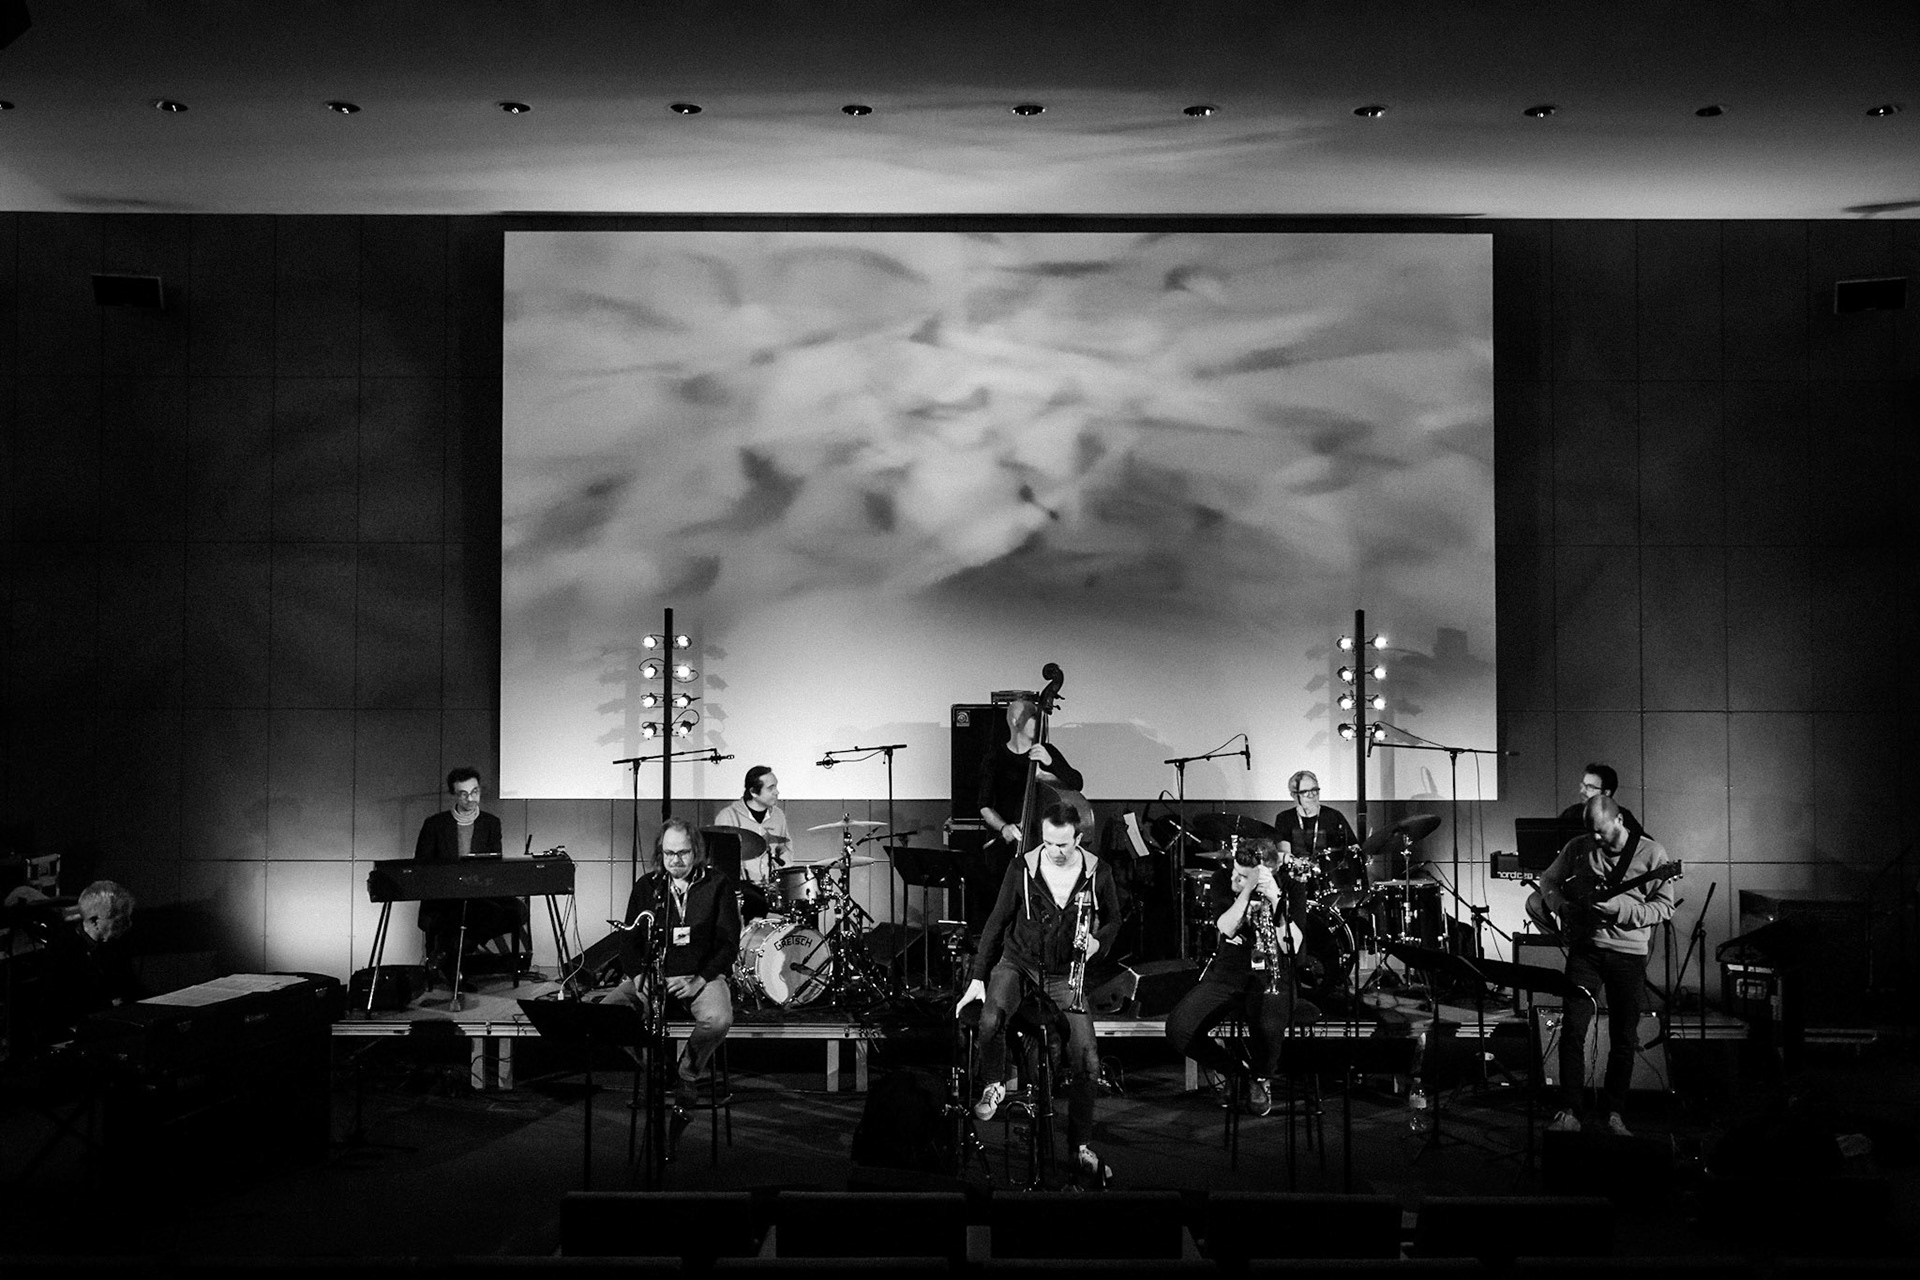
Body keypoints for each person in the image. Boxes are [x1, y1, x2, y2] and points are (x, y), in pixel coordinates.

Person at [956, 802, 1120, 1185]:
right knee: (991, 1019)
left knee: (1088, 1060)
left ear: (1078, 839)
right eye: (1048, 843)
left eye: (1063, 844)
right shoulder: (1023, 867)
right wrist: (978, 978)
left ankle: (1080, 1148)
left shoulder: (1099, 872)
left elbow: (1114, 919)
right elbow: (996, 921)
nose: (1055, 851)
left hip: (1064, 975)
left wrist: (1098, 943)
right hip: (1019, 962)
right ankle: (994, 1084)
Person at [1535, 795, 1677, 1138]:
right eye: (1590, 832)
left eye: (1600, 831)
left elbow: (1664, 908)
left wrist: (1621, 911)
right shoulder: (1578, 847)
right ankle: (1570, 1110)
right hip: (1586, 950)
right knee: (1572, 1031)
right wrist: (1560, 906)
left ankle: (1613, 1113)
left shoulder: (1652, 854)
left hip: (1628, 955)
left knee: (1623, 1038)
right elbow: (1548, 881)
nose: (1595, 838)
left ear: (1619, 821)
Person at [608, 819, 740, 1139]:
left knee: (718, 1019)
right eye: (669, 853)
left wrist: (699, 980)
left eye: (683, 853)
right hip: (654, 977)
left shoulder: (717, 884)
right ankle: (657, 1068)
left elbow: (728, 944)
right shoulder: (648, 886)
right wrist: (638, 976)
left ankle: (687, 1074)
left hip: (701, 977)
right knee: (608, 1014)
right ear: (660, 853)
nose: (675, 860)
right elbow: (628, 941)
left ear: (696, 851)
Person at [1164, 846, 1311, 1116]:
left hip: (1273, 972)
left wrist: (1274, 897)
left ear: (1269, 872)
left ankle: (1261, 1078)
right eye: (1236, 872)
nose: (1234, 878)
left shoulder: (1291, 887)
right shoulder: (1222, 879)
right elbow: (1226, 927)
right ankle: (1236, 1072)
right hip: (1228, 972)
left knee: (1268, 1025)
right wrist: (1246, 889)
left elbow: (1291, 947)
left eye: (1242, 876)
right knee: (1179, 1028)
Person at [414, 767, 523, 986]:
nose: (471, 798)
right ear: (454, 794)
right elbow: (422, 867)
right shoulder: (435, 824)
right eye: (463, 794)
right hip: (446, 895)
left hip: (479, 892)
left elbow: (493, 865)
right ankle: (453, 964)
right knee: (465, 913)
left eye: (475, 792)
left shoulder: (490, 823)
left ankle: (446, 952)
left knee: (518, 911)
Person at [977, 699, 1084, 852]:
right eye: (1033, 717)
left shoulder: (1046, 751)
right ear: (1015, 721)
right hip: (1006, 842)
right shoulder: (995, 757)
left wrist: (1050, 762)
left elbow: (1077, 783)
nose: (1039, 722)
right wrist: (1004, 827)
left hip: (1042, 842)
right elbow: (984, 805)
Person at [712, 765, 791, 918]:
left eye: (776, 786)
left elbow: (785, 850)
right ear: (754, 792)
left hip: (772, 889)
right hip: (742, 891)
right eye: (771, 788)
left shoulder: (779, 816)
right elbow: (723, 864)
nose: (777, 792)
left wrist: (787, 880)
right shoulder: (728, 816)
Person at [1556, 763, 1642, 837]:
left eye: (1590, 787)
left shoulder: (1624, 817)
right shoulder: (1571, 813)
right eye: (1583, 785)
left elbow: (1643, 844)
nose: (1582, 791)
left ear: (1606, 793)